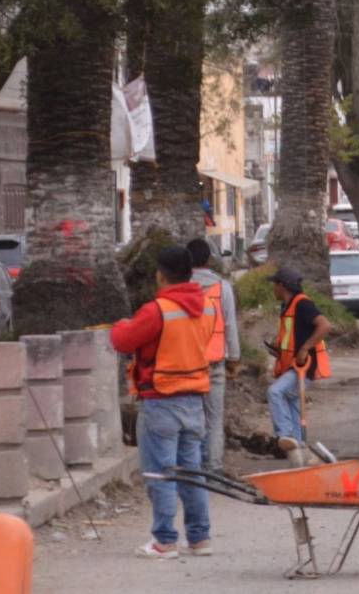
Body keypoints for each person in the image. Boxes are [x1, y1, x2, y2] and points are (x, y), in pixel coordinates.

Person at [110, 246, 214, 559]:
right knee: (191, 472)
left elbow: (123, 340)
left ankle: (165, 541)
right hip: (195, 398)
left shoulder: (159, 310)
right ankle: (199, 538)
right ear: (191, 272)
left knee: (160, 472)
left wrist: (119, 325)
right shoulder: (207, 306)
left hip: (162, 399)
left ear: (160, 274)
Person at [265, 267, 332, 464]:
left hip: (304, 366)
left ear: (282, 286)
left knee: (275, 392)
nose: (273, 289)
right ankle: (300, 450)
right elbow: (291, 335)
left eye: (274, 285)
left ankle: (286, 436)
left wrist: (305, 349)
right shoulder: (287, 306)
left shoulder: (303, 303)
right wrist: (278, 348)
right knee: (293, 405)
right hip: (291, 365)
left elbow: (324, 325)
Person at [186, 238, 240, 475]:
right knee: (214, 419)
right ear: (209, 260)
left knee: (190, 418)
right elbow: (230, 326)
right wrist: (234, 358)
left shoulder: (181, 287)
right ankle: (213, 469)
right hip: (216, 362)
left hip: (187, 363)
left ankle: (193, 467)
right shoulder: (223, 287)